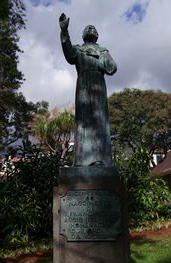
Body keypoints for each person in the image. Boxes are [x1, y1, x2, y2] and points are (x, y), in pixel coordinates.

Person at [59, 13, 117, 166]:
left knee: (99, 120)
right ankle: (81, 160)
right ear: (83, 35)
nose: (90, 28)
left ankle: (100, 159)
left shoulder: (103, 51)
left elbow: (112, 68)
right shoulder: (78, 49)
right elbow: (69, 53)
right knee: (84, 121)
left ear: (97, 35)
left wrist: (98, 60)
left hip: (98, 85)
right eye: (87, 28)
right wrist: (64, 31)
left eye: (93, 28)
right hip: (83, 85)